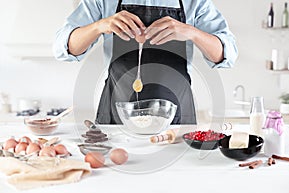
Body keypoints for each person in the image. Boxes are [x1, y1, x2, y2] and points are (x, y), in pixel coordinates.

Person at [53, 0, 238, 124]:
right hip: (117, 115)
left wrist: (192, 32)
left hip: (175, 116)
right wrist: (99, 26)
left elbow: (226, 54)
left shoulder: (194, 2)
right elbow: (64, 48)